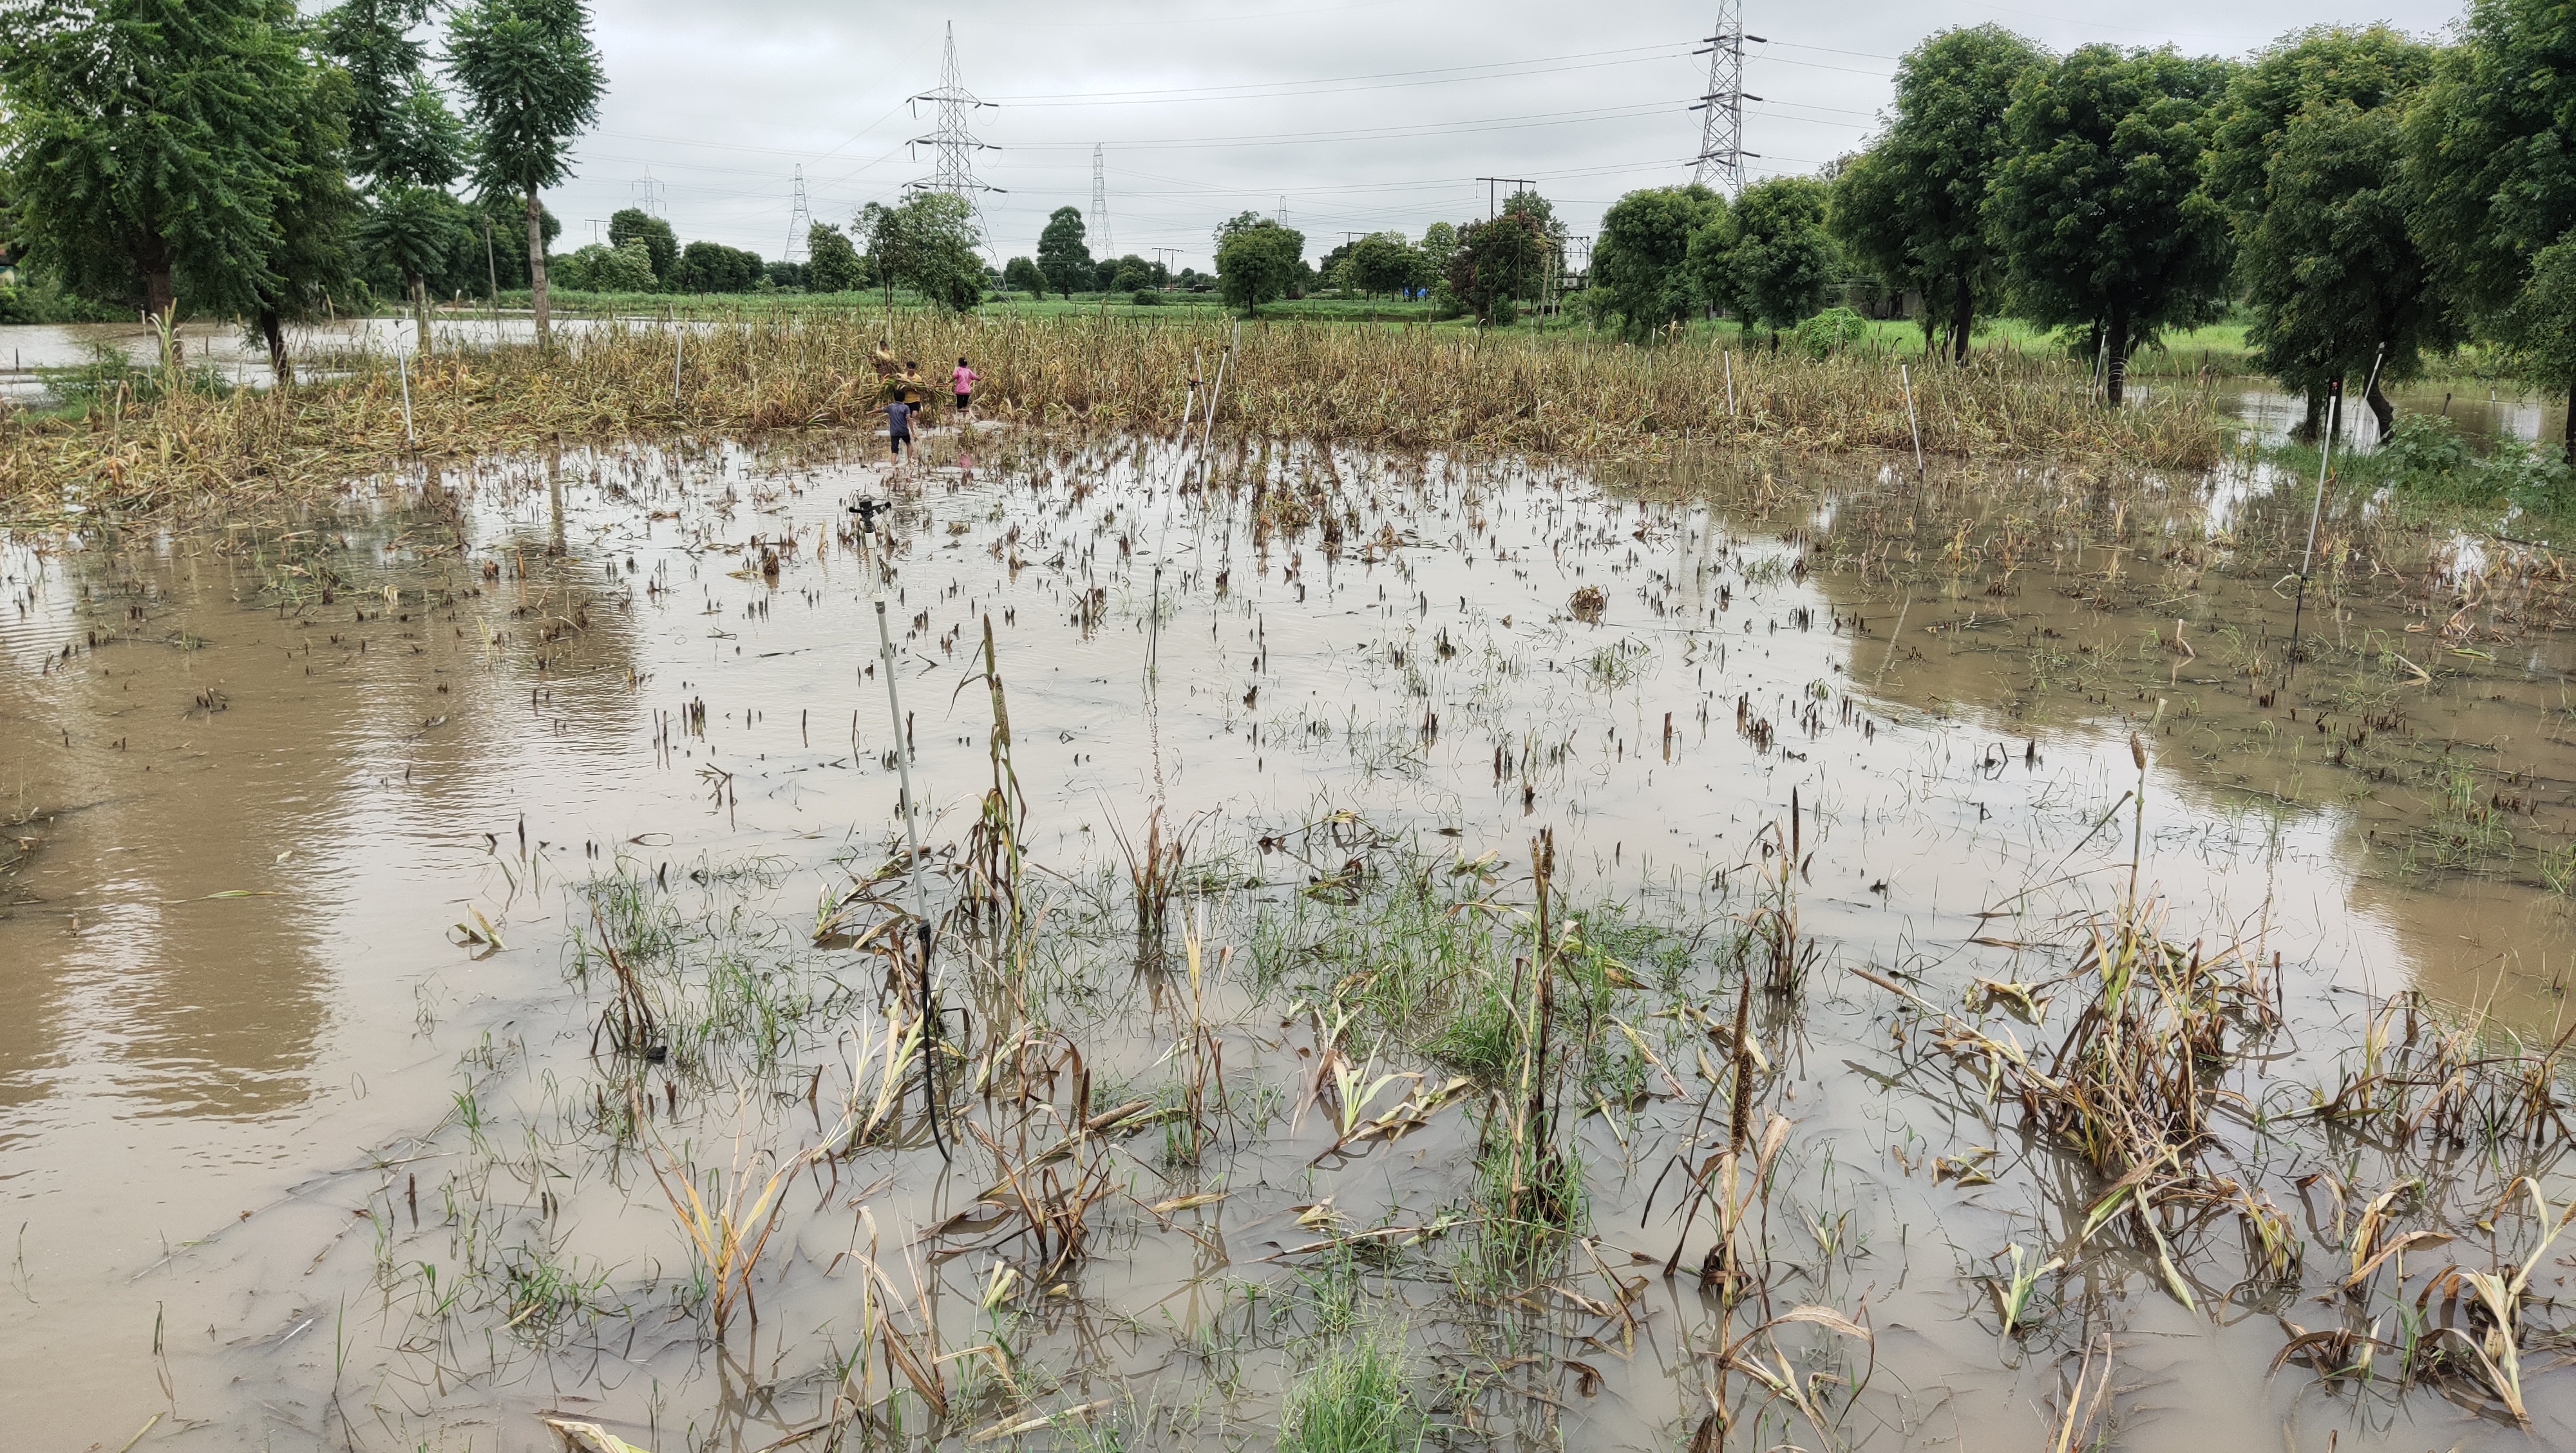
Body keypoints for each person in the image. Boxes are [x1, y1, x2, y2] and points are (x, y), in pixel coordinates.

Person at [886, 392, 913, 464]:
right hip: (904, 430)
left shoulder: (890, 407)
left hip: (894, 432)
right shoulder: (906, 407)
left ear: (894, 398)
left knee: (894, 451)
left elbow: (881, 410)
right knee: (908, 444)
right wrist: (913, 432)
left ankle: (893, 466)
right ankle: (910, 461)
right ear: (904, 398)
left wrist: (871, 412)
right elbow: (909, 419)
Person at [950, 355, 979, 419]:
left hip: (960, 391)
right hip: (967, 392)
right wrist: (985, 374)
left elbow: (953, 377)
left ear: (959, 363)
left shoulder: (958, 370)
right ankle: (964, 419)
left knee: (960, 409)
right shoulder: (969, 371)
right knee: (964, 406)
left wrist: (949, 382)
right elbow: (978, 379)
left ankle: (969, 411)